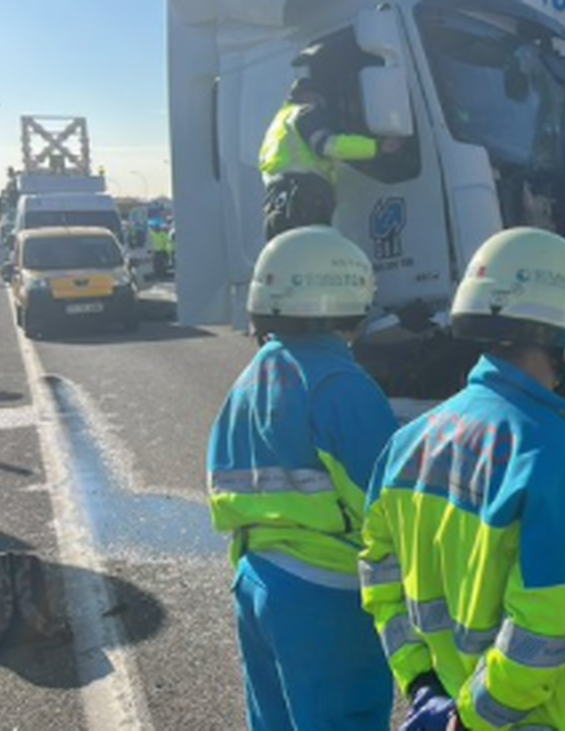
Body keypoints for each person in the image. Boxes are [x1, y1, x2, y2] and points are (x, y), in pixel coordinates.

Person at [360, 228, 565, 731]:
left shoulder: (407, 445)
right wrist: (477, 715)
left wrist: (421, 684)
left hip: (454, 701)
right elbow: (551, 621)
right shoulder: (562, 457)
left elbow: (380, 576)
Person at [206, 226, 397, 730]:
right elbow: (387, 507)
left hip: (257, 581)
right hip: (328, 598)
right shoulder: (341, 386)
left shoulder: (252, 378)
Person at [259, 43, 398, 241]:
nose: (322, 106)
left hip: (278, 200)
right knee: (316, 251)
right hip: (305, 194)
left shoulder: (277, 125)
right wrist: (376, 147)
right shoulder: (305, 112)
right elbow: (328, 145)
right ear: (310, 95)